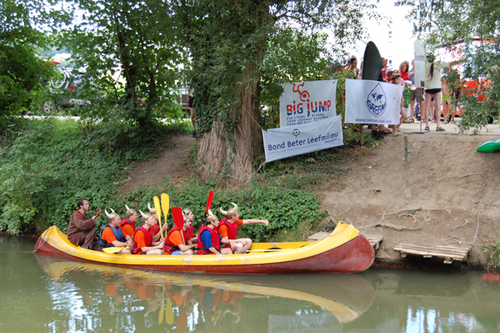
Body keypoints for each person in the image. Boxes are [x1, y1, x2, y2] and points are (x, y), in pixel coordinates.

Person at [424, 51, 447, 131]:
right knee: (437, 107)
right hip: (437, 87)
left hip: (428, 87)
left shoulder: (424, 65)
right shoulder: (438, 64)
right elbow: (450, 63)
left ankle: (427, 125)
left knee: (427, 108)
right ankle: (438, 126)